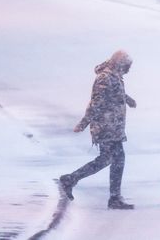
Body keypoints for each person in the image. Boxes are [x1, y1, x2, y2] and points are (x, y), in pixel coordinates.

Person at [58, 50, 137, 210]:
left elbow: (115, 93)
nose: (128, 69)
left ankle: (71, 179)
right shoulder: (105, 77)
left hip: (112, 126)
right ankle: (113, 197)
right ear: (120, 63)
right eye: (127, 65)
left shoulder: (114, 76)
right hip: (105, 127)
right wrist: (84, 123)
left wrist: (128, 100)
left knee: (107, 159)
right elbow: (96, 103)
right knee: (116, 159)